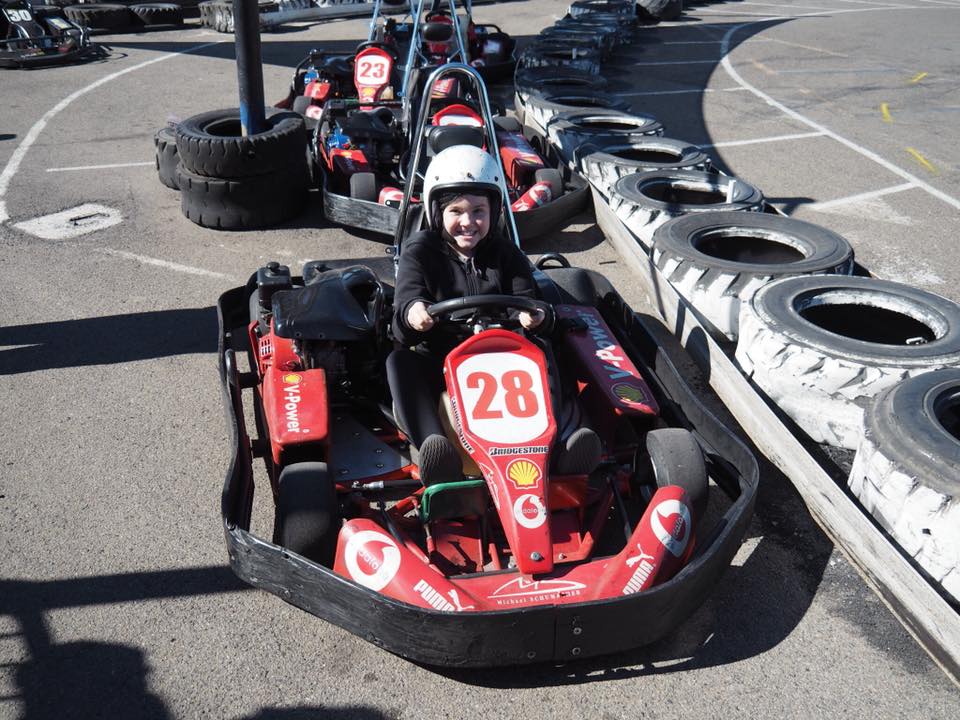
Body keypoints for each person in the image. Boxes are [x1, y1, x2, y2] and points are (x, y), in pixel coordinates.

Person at [387, 144, 600, 485]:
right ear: (435, 211)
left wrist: (537, 317)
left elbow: (529, 299)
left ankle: (566, 440)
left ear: (495, 210)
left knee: (547, 350)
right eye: (456, 211)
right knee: (399, 362)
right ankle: (434, 446)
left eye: (478, 211)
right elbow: (406, 304)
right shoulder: (421, 251)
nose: (468, 221)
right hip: (442, 356)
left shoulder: (505, 251)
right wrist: (414, 314)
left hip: (506, 357)